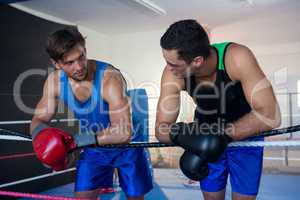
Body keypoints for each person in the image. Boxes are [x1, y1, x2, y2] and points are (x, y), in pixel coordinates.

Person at [155, 19, 281, 200]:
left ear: (197, 60)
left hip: (246, 133)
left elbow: (270, 114)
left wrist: (221, 136)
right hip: (205, 134)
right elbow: (161, 129)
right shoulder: (172, 74)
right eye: (166, 61)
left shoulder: (236, 57)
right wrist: (186, 135)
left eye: (174, 64)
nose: (168, 68)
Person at [30, 27, 153, 200]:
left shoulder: (109, 78)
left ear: (85, 50)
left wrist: (76, 142)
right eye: (69, 63)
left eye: (81, 57)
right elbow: (39, 119)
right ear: (56, 64)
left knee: (135, 198)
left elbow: (123, 133)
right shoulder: (54, 82)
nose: (79, 66)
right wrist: (41, 140)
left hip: (127, 148)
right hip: (94, 148)